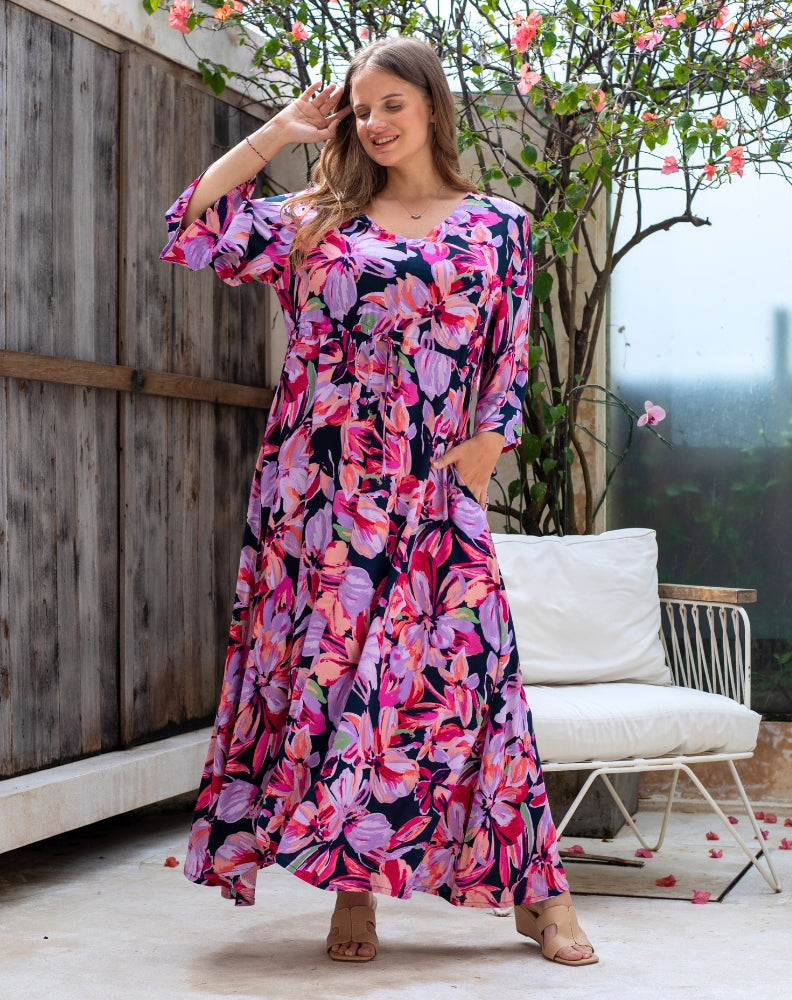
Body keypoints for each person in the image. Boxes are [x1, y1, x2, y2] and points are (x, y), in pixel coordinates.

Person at [160, 37, 597, 967]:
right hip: (320, 494)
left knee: (474, 684)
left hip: (436, 490)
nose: (375, 123)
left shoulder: (499, 227)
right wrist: (279, 132)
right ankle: (349, 893)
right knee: (338, 686)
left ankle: (539, 894)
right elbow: (194, 225)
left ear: (433, 106)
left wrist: (491, 442)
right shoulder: (318, 216)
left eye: (392, 103)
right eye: (362, 109)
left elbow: (508, 360)